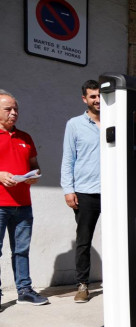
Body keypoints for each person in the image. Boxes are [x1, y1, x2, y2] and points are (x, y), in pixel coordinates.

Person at [0, 90, 49, 305]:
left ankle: (25, 289)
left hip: (23, 204)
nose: (13, 113)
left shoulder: (25, 137)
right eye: (8, 109)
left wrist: (34, 175)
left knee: (21, 250)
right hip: (0, 205)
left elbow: (35, 166)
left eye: (16, 109)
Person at [61, 80, 101, 303]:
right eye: (93, 96)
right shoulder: (74, 124)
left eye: (100, 96)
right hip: (85, 192)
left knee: (122, 237)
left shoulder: (115, 122)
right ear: (84, 99)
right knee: (84, 240)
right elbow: (68, 159)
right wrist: (68, 189)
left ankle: (120, 280)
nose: (97, 100)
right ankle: (82, 284)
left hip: (113, 191)